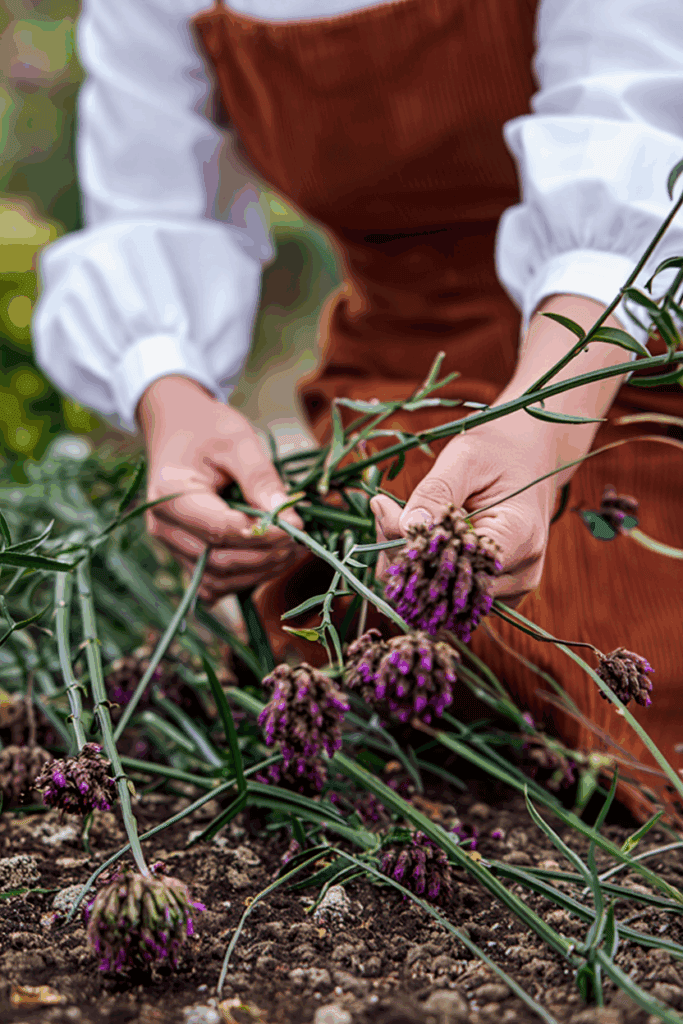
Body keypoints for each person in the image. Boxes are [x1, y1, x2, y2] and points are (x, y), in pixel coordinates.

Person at [32, 0, 683, 825]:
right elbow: (150, 208)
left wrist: (541, 424)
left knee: (585, 673)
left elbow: (642, 132)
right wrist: (174, 401)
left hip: (631, 354)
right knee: (385, 646)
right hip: (402, 389)